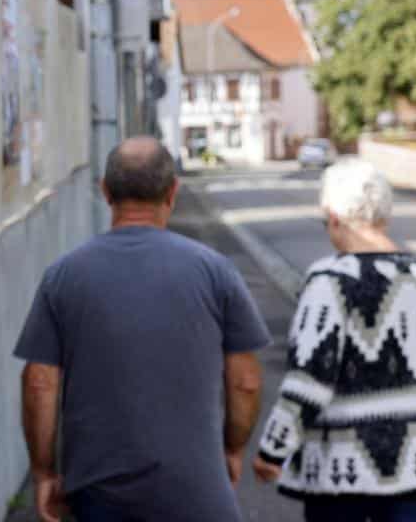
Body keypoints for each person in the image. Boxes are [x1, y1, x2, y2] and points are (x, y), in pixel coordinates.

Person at [15, 137, 271, 521]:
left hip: (97, 496)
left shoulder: (64, 276)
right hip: (198, 495)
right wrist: (232, 451)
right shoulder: (216, 272)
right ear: (172, 192)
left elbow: (39, 382)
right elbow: (245, 381)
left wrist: (44, 472)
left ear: (105, 191)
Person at [252, 158, 416, 521]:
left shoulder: (330, 281)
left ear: (334, 216)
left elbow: (309, 380)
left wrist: (273, 450)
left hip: (344, 474)